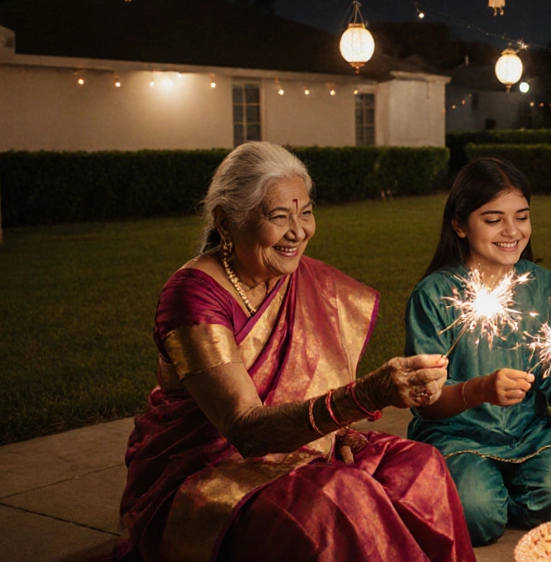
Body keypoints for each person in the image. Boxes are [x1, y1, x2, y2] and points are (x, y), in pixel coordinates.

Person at [119, 141, 475, 562]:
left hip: (300, 444)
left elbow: (311, 383)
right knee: (344, 496)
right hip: (208, 472)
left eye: (305, 212)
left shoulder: (306, 281)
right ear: (226, 221)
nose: (299, 231)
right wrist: (367, 394)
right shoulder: (194, 297)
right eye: (279, 216)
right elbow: (246, 430)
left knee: (418, 466)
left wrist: (337, 432)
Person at [404, 158, 551, 547]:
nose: (512, 231)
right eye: (493, 219)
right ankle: (483, 491)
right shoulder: (434, 295)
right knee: (476, 513)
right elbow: (425, 399)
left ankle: (505, 489)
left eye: (522, 216)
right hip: (457, 437)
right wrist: (480, 390)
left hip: (529, 434)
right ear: (459, 224)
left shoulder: (544, 286)